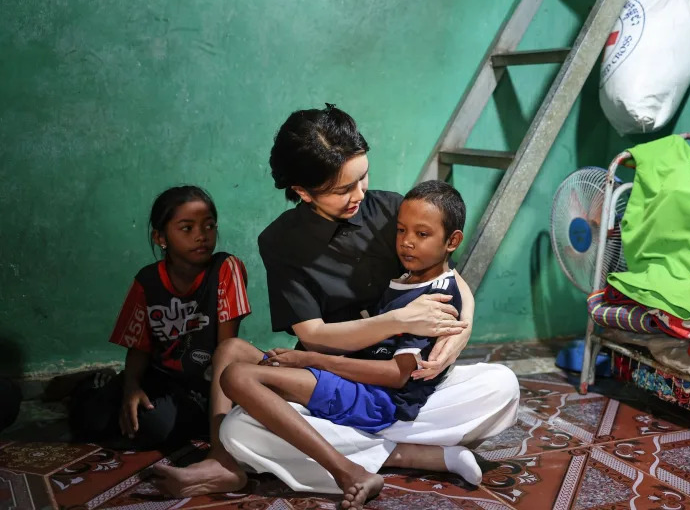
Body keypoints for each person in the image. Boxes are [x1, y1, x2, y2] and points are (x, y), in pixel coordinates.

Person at [153, 105, 519, 497]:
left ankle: (381, 449)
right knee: (233, 398)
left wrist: (460, 333)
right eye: (343, 189)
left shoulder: (392, 209)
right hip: (332, 376)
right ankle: (224, 461)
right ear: (302, 192)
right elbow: (313, 338)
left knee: (502, 386)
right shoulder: (280, 242)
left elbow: (449, 274)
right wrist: (399, 321)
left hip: (397, 380)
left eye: (362, 178)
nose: (359, 194)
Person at [220, 180, 482, 508]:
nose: (406, 243)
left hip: (375, 399)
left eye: (421, 235)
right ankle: (220, 463)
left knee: (237, 378)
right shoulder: (403, 280)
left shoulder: (437, 298)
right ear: (304, 190)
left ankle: (349, 472)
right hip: (353, 375)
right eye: (401, 231)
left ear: (452, 241)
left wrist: (312, 361)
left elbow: (395, 375)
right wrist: (313, 358)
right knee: (230, 352)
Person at [69, 186, 251, 450]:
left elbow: (227, 350)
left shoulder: (226, 268)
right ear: (160, 237)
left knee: (161, 427)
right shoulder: (148, 281)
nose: (201, 236)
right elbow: (139, 346)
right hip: (159, 377)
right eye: (187, 228)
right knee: (90, 422)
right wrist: (131, 387)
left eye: (209, 226)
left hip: (204, 382)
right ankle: (90, 384)